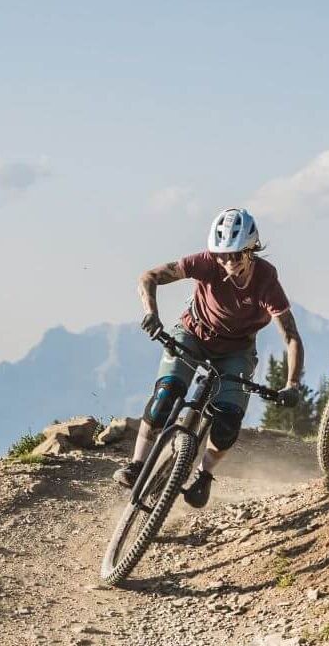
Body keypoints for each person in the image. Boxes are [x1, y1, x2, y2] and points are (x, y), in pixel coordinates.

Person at [114, 206, 304, 508]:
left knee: (228, 422)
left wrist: (292, 384)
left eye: (235, 254)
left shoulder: (266, 280)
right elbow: (148, 277)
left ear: (251, 249)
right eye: (221, 254)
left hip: (237, 350)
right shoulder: (205, 262)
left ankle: (204, 475)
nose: (227, 261)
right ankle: (137, 464)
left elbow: (291, 337)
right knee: (165, 396)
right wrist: (151, 313)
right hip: (193, 333)